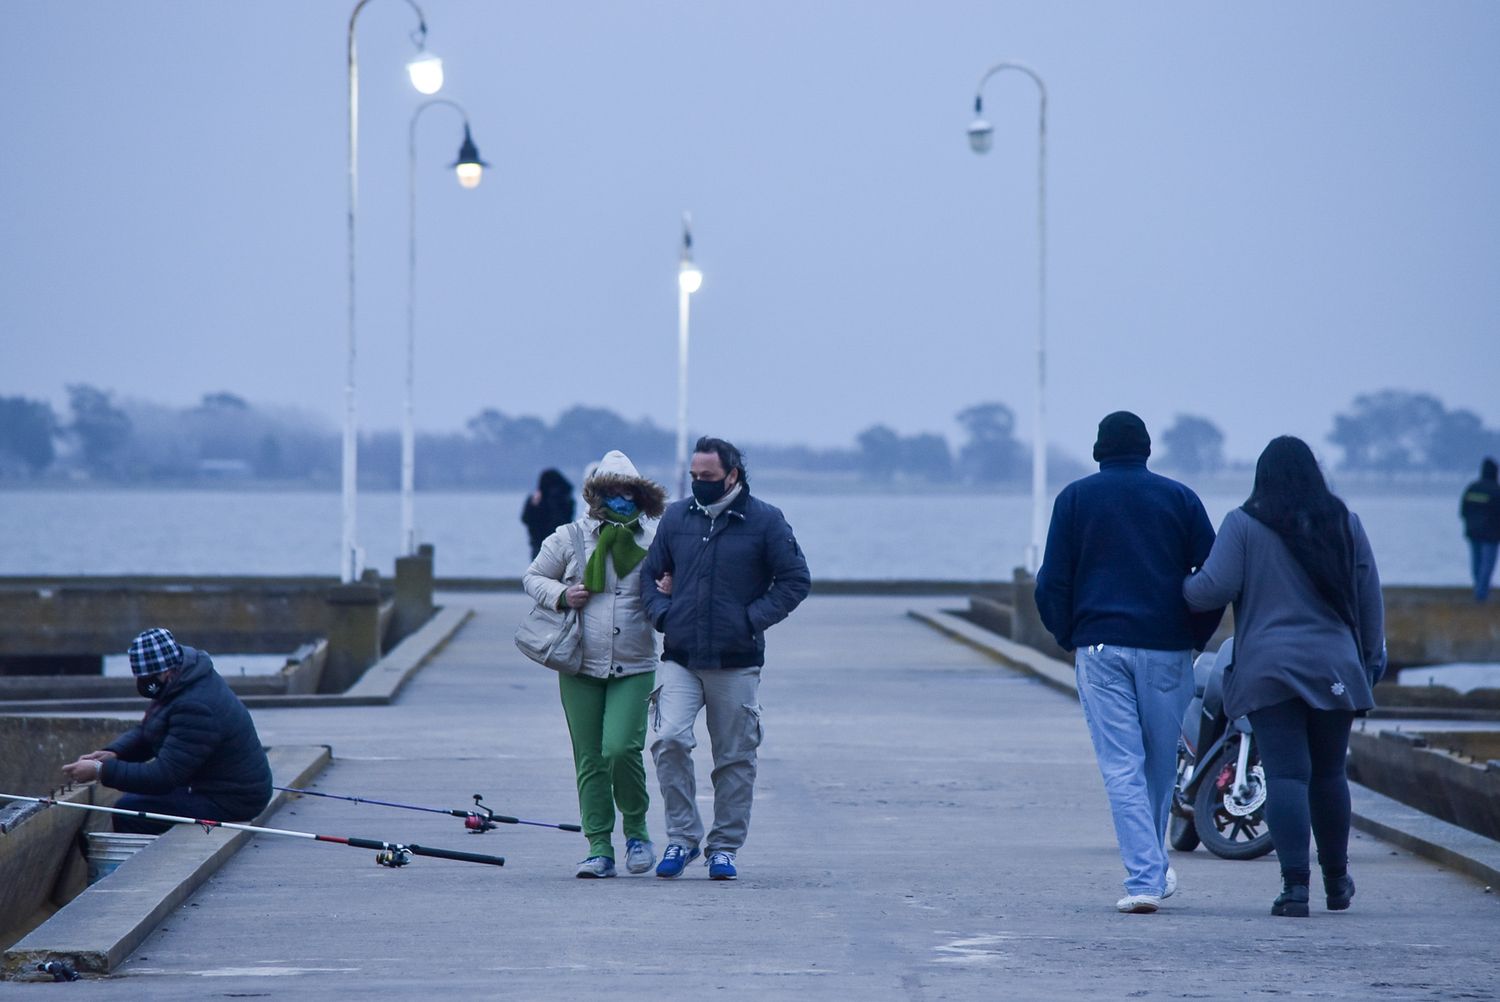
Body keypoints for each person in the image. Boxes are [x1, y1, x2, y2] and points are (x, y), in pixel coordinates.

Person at [1184, 436, 1385, 917]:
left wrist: (1180, 583)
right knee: (1330, 773)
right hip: (1335, 666)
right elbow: (1369, 598)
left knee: (1287, 775)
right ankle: (1337, 882)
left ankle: (1295, 889)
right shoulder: (1345, 524)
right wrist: (1369, 660)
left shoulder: (1243, 524)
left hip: (1269, 669)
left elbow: (1210, 590)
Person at [1034, 411, 1222, 914]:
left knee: (1121, 765)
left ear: (1099, 451)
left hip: (1099, 648)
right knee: (1160, 765)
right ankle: (1150, 871)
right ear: (1147, 449)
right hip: (1167, 650)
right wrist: (1194, 638)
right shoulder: (1179, 499)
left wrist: (1069, 635)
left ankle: (1144, 878)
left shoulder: (1074, 499)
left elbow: (1050, 582)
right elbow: (1214, 577)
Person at [640, 436, 810, 880]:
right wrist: (664, 615)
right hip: (680, 656)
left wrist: (751, 619)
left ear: (732, 475)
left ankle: (724, 848)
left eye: (708, 477)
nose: (699, 484)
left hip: (737, 661)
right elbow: (648, 577)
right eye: (694, 477)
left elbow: (795, 580)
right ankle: (681, 839)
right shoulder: (676, 517)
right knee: (668, 740)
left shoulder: (766, 521)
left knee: (735, 757)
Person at [523, 451, 667, 878]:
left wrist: (669, 586)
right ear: (595, 495)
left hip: (635, 663)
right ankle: (599, 847)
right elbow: (532, 577)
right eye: (611, 492)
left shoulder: (655, 539)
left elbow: (677, 588)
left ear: (642, 496)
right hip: (579, 663)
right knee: (589, 757)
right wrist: (562, 595)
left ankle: (637, 832)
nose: (620, 499)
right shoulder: (569, 537)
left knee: (621, 749)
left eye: (629, 492)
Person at [60, 628, 272, 834]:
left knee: (128, 811)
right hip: (209, 784)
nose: (143, 684)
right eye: (139, 678)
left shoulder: (196, 706)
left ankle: (142, 868)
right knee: (135, 794)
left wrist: (100, 771)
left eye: (148, 678)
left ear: (168, 671)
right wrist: (116, 752)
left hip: (232, 800)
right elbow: (151, 729)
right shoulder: (184, 681)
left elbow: (164, 776)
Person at [1460, 457, 1500, 602]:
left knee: (1476, 563)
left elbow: (1463, 511)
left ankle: (1479, 588)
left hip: (1473, 532)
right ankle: (1481, 593)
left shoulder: (1472, 488)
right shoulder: (1496, 491)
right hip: (1491, 535)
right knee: (1487, 565)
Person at [522, 468, 576, 559]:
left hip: (543, 543)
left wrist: (534, 505)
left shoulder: (541, 499)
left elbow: (526, 519)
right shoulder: (564, 497)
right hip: (557, 543)